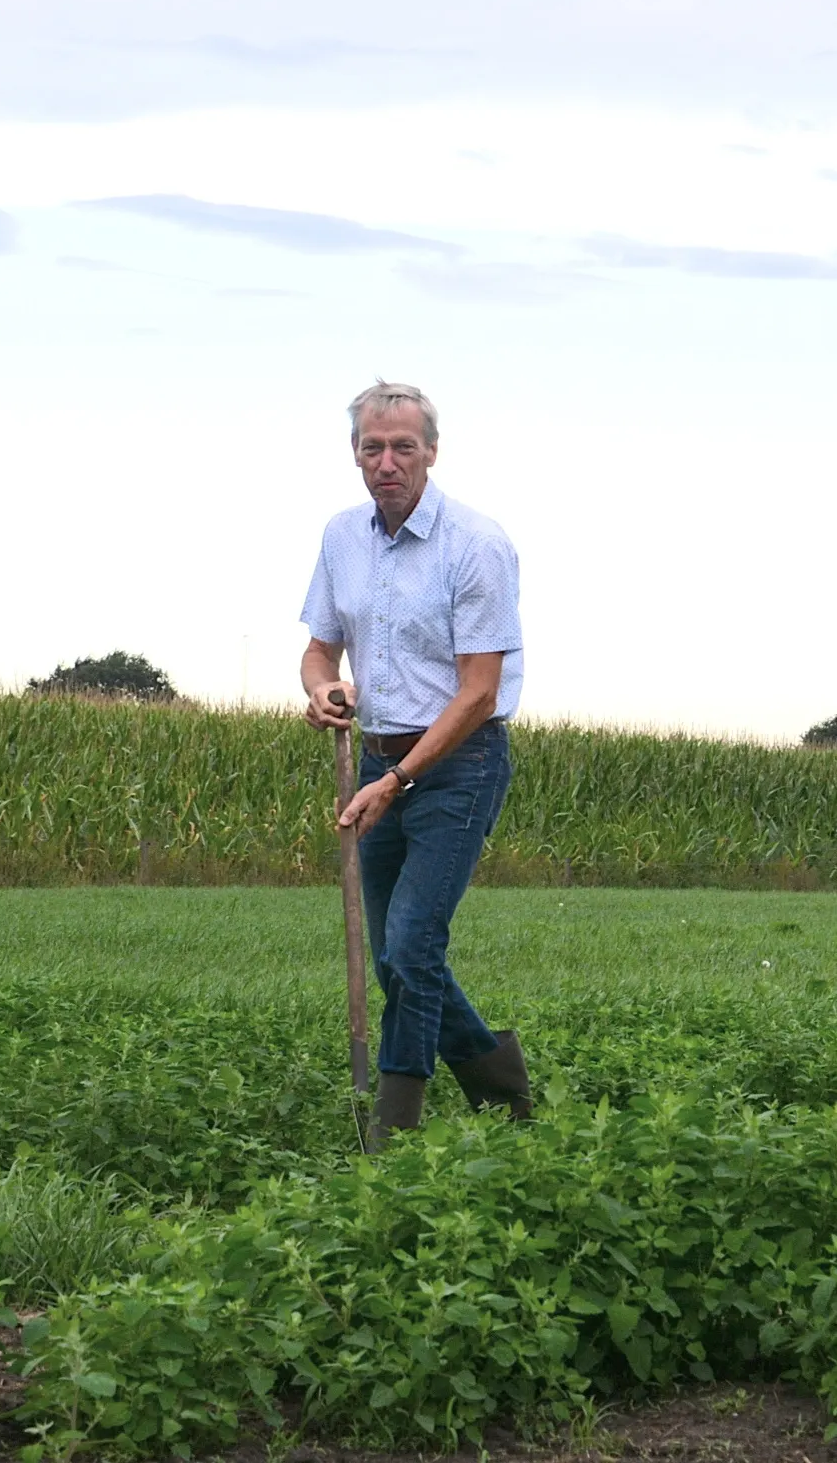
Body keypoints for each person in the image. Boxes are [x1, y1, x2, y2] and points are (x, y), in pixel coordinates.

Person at [300, 381, 534, 1148]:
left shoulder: (476, 544)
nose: (388, 460)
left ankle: (391, 1131)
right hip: (377, 759)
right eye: (374, 447)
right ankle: (500, 1084)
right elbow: (318, 649)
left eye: (404, 446)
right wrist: (323, 689)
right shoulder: (342, 537)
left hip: (457, 766)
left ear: (432, 451)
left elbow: (478, 691)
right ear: (356, 455)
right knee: (398, 955)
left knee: (409, 945)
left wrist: (398, 781)